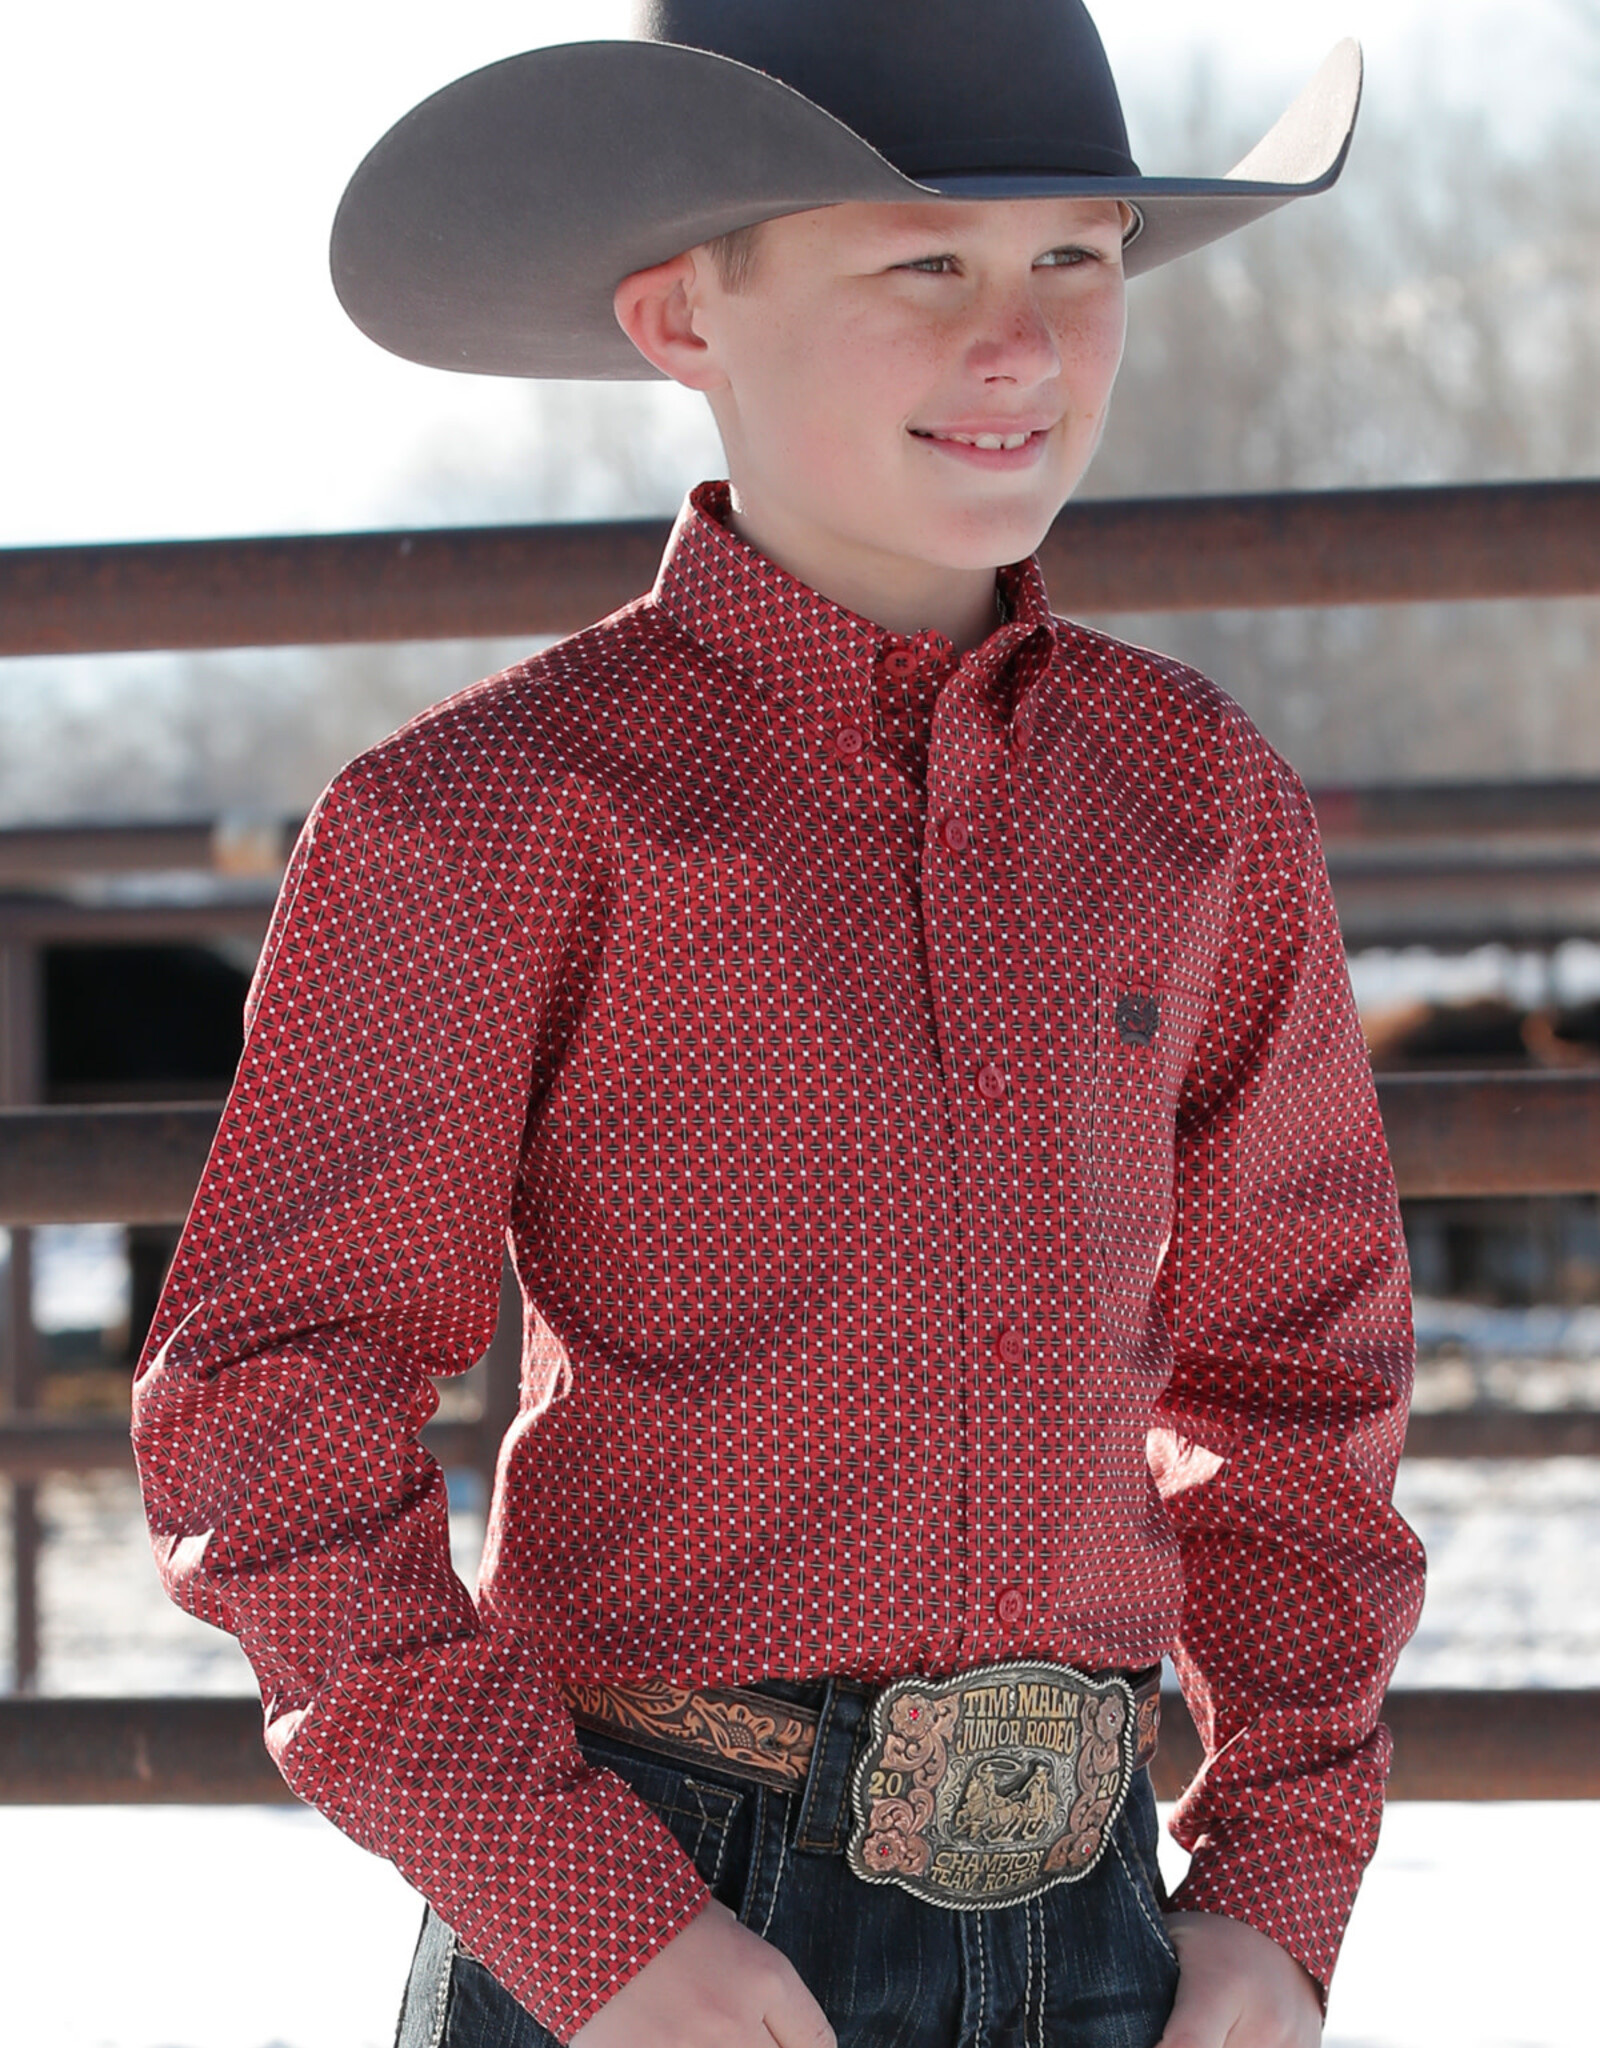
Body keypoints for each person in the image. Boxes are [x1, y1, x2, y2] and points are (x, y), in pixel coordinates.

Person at [131, 6, 1425, 2046]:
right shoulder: (478, 819)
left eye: (1068, 260)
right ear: (680, 319)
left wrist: (1275, 1872)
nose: (1015, 342)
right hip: (654, 1914)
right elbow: (266, 1402)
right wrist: (588, 1914)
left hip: (1103, 1939)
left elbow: (1299, 1374)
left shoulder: (1198, 801)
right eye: (922, 263)